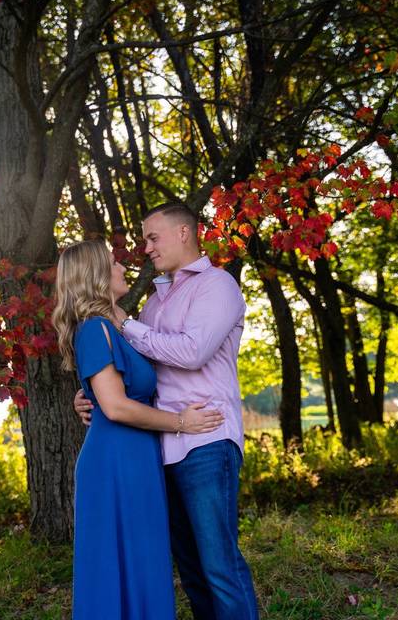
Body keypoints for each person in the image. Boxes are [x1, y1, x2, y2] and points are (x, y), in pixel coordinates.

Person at [75, 202, 260, 619]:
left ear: (184, 233)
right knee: (191, 571)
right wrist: (90, 392)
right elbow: (139, 370)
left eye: (152, 237)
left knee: (219, 566)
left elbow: (192, 352)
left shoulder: (218, 286)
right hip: (162, 448)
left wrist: (125, 324)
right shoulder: (156, 304)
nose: (146, 248)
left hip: (205, 440)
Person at [53, 240, 225, 620]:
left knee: (142, 561)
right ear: (97, 276)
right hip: (116, 463)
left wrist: (89, 397)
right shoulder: (96, 329)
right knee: (122, 564)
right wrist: (182, 422)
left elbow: (119, 389)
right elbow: (115, 406)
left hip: (136, 458)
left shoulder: (115, 326)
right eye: (113, 263)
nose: (121, 267)